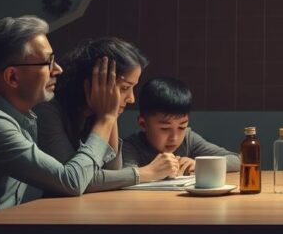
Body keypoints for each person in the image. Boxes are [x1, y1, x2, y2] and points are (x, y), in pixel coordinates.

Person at [0, 16, 121, 234]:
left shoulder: (14, 114)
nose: (58, 70)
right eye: (48, 62)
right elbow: (71, 181)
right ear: (12, 77)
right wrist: (106, 118)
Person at [35, 37, 178, 190]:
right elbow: (75, 180)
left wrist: (110, 115)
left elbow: (112, 171)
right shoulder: (47, 110)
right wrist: (146, 173)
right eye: (124, 88)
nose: (131, 98)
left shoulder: (94, 113)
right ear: (96, 83)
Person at [122, 77, 240, 173]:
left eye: (181, 127)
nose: (175, 137)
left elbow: (238, 160)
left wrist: (200, 164)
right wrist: (152, 171)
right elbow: (125, 175)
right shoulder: (131, 146)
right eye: (165, 128)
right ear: (143, 124)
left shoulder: (188, 140)